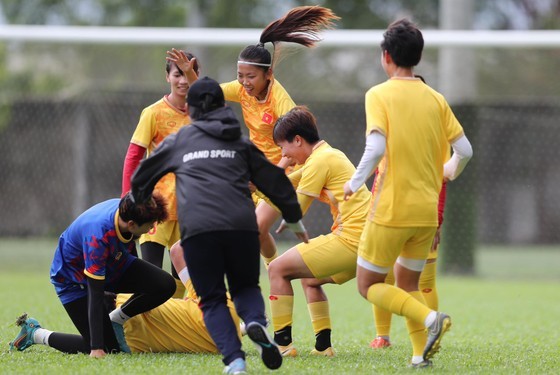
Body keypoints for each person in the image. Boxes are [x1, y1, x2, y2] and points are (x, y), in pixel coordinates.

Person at [129, 77, 308, 374]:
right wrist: (294, 220)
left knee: (211, 299)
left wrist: (143, 205)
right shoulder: (239, 143)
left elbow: (141, 178)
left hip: (199, 230)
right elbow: (276, 182)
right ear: (224, 106)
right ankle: (254, 322)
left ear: (192, 109)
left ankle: (235, 361)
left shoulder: (180, 140)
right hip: (241, 224)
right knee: (246, 287)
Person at [343, 19, 473, 368]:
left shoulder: (378, 94)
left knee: (368, 284)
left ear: (386, 56)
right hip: (426, 213)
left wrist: (353, 183)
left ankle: (432, 320)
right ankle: (419, 356)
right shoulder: (435, 98)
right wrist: (449, 170)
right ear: (417, 57)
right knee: (409, 283)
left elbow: (375, 147)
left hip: (391, 208)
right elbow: (465, 149)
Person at [166, 5, 339, 267]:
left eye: (251, 77)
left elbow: (294, 149)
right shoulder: (243, 90)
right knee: (253, 232)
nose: (245, 82)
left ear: (268, 75)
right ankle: (275, 271)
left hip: (282, 172)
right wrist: (189, 72)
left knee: (254, 229)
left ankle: (277, 271)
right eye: (240, 76)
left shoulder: (282, 103)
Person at [9, 193, 176, 358]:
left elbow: (127, 244)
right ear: (132, 224)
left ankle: (115, 319)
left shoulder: (127, 209)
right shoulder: (98, 237)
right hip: (73, 281)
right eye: (151, 225)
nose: (152, 229)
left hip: (111, 264)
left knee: (165, 285)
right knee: (109, 349)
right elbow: (95, 294)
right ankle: (36, 334)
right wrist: (96, 348)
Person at [266, 106, 372, 358]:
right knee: (310, 279)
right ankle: (324, 347)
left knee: (277, 268)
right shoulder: (327, 154)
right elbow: (286, 182)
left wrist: (286, 222)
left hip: (352, 239)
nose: (285, 155)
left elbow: (298, 208)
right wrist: (255, 184)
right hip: (367, 242)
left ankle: (282, 346)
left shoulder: (320, 160)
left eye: (284, 148)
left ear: (298, 140)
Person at [121, 50, 200, 298]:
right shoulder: (153, 113)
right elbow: (134, 156)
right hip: (156, 206)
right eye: (178, 74)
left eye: (189, 74)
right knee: (152, 276)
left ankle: (170, 332)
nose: (184, 81)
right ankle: (138, 327)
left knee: (181, 280)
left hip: (190, 207)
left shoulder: (204, 115)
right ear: (168, 77)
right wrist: (128, 198)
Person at [370, 182, 447, 349]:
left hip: (422, 217)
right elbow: (380, 178)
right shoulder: (388, 155)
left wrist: (438, 218)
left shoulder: (433, 155)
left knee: (423, 283)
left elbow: (442, 178)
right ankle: (382, 336)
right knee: (382, 279)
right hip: (389, 218)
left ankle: (430, 334)